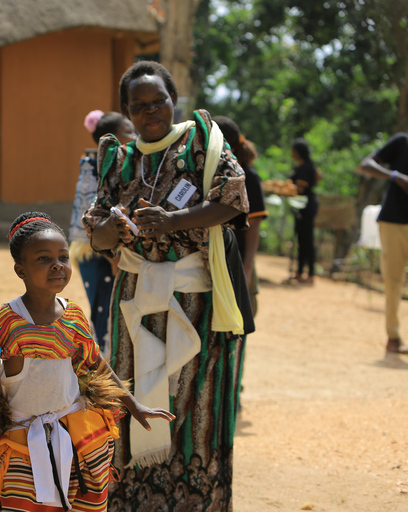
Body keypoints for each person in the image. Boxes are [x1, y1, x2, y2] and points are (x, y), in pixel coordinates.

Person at [83, 60, 249, 511]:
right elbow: (95, 228)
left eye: (159, 102)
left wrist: (173, 220)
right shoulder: (118, 157)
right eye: (140, 106)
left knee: (195, 404)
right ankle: (135, 500)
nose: (151, 111)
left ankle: (195, 501)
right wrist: (109, 234)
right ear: (128, 111)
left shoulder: (201, 143)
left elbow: (234, 199)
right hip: (135, 302)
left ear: (174, 102)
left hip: (196, 300)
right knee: (136, 394)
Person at [0, 212, 174, 512]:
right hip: (24, 438)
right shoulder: (6, 321)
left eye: (63, 257)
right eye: (43, 259)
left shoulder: (73, 316)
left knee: (82, 503)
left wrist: (133, 404)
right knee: (18, 504)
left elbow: (95, 363)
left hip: (76, 433)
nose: (57, 265)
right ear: (20, 270)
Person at [69, 110, 135, 350]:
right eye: (127, 131)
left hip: (105, 252)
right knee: (106, 311)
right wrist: (113, 256)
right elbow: (94, 212)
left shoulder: (124, 163)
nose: (134, 135)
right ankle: (103, 366)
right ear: (109, 138)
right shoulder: (96, 166)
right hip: (96, 252)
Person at [357, 132, 408, 354]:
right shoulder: (402, 142)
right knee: (393, 281)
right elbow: (366, 164)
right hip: (394, 221)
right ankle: (394, 338)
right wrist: (396, 176)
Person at [214, 116, 268, 315]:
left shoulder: (247, 177)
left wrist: (247, 268)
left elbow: (253, 226)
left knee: (240, 322)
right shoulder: (211, 173)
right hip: (219, 259)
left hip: (239, 259)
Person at [287, 138, 319, 285]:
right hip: (303, 205)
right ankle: (300, 272)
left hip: (306, 206)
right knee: (301, 239)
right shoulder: (304, 166)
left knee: (307, 240)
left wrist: (287, 189)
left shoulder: (306, 167)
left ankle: (310, 274)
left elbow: (300, 189)